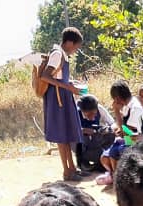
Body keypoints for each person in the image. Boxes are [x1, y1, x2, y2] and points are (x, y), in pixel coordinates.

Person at [39, 27, 85, 181]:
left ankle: (72, 168)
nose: (76, 50)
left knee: (66, 134)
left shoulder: (62, 55)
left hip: (63, 96)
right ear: (69, 42)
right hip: (57, 98)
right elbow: (45, 76)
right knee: (61, 135)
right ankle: (67, 171)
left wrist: (70, 84)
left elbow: (58, 77)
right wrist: (67, 87)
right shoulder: (57, 54)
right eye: (76, 47)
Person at [96, 81, 143, 186]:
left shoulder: (135, 108)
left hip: (138, 140)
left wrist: (117, 112)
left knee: (120, 149)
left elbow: (127, 131)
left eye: (114, 98)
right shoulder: (128, 104)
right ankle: (115, 176)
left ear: (117, 98)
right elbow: (124, 129)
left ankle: (122, 180)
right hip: (129, 138)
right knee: (112, 151)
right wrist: (120, 129)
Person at [75, 94, 114, 173]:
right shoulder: (75, 112)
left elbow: (113, 123)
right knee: (77, 137)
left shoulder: (100, 109)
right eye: (89, 114)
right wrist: (82, 130)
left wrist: (106, 129)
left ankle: (100, 162)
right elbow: (68, 130)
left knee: (111, 134)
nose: (92, 117)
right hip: (82, 144)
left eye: (94, 114)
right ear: (82, 110)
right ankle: (82, 161)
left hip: (96, 142)